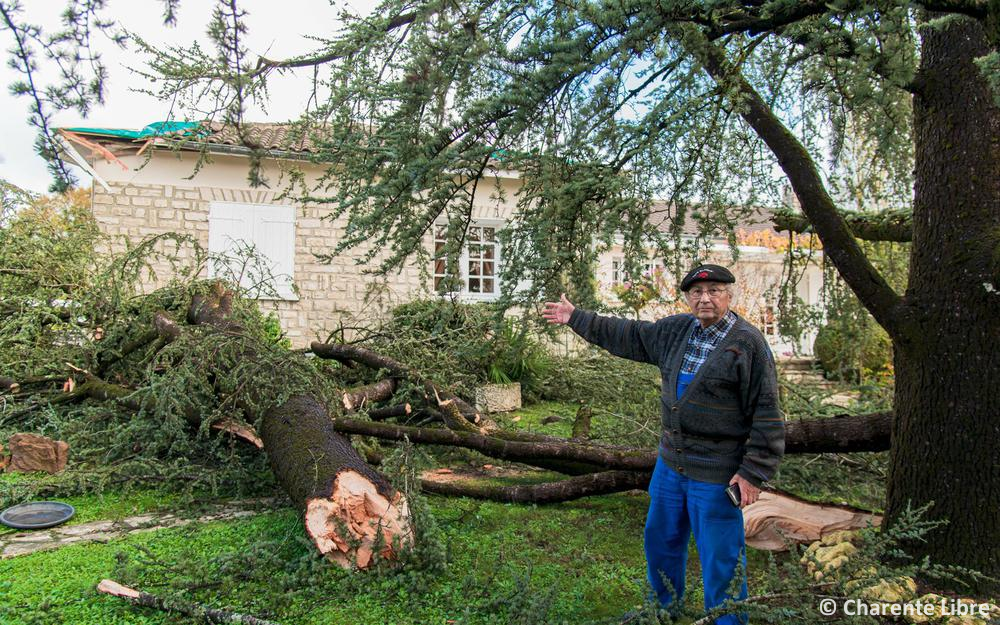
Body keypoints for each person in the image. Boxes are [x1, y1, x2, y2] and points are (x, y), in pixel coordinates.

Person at [542, 264, 784, 625]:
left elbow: (767, 413)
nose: (705, 298)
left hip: (716, 474)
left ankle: (727, 620)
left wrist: (753, 473)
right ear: (688, 297)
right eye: (697, 292)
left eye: (714, 291)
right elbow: (628, 334)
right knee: (662, 542)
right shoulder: (676, 331)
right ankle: (663, 609)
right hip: (671, 466)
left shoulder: (748, 344)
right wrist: (576, 317)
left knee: (721, 557)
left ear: (729, 296)